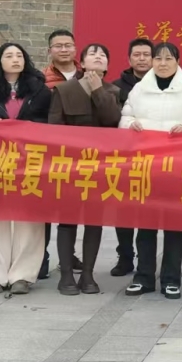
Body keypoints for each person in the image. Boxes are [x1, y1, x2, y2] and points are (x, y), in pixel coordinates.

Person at [119, 42, 182, 299]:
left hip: (176, 168)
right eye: (158, 58)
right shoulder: (139, 90)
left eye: (168, 58)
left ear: (177, 62)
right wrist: (130, 124)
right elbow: (125, 116)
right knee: (145, 226)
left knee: (174, 227)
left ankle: (171, 279)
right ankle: (144, 277)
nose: (162, 63)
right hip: (145, 167)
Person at [0, 44, 51, 294]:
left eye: (19, 55)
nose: (15, 59)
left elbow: (51, 122)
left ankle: (23, 275)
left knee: (29, 219)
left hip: (30, 161)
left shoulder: (40, 89)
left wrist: (27, 126)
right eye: (8, 55)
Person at [48, 44, 122, 296]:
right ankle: (66, 274)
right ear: (82, 61)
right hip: (70, 166)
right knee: (67, 221)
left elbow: (112, 120)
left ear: (107, 64)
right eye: (92, 53)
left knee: (94, 222)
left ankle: (88, 274)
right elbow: (54, 128)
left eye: (103, 54)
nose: (98, 57)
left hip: (100, 168)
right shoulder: (64, 90)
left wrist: (98, 89)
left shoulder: (113, 91)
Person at [109, 37, 154, 276]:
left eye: (147, 54)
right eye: (137, 54)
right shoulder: (116, 86)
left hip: (155, 159)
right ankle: (125, 257)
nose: (142, 59)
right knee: (123, 210)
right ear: (129, 59)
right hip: (125, 157)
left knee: (148, 211)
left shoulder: (163, 85)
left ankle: (146, 261)